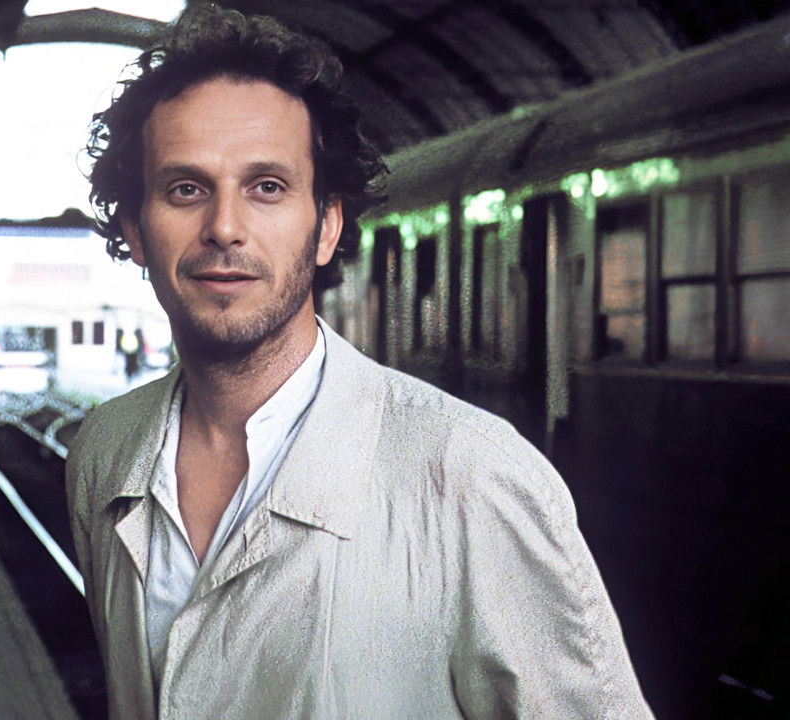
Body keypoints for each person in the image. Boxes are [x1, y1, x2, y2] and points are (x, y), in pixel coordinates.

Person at [66, 7, 653, 719]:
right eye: (186, 189)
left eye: (267, 187)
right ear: (134, 229)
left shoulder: (475, 476)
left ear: (327, 227)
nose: (224, 228)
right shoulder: (105, 453)